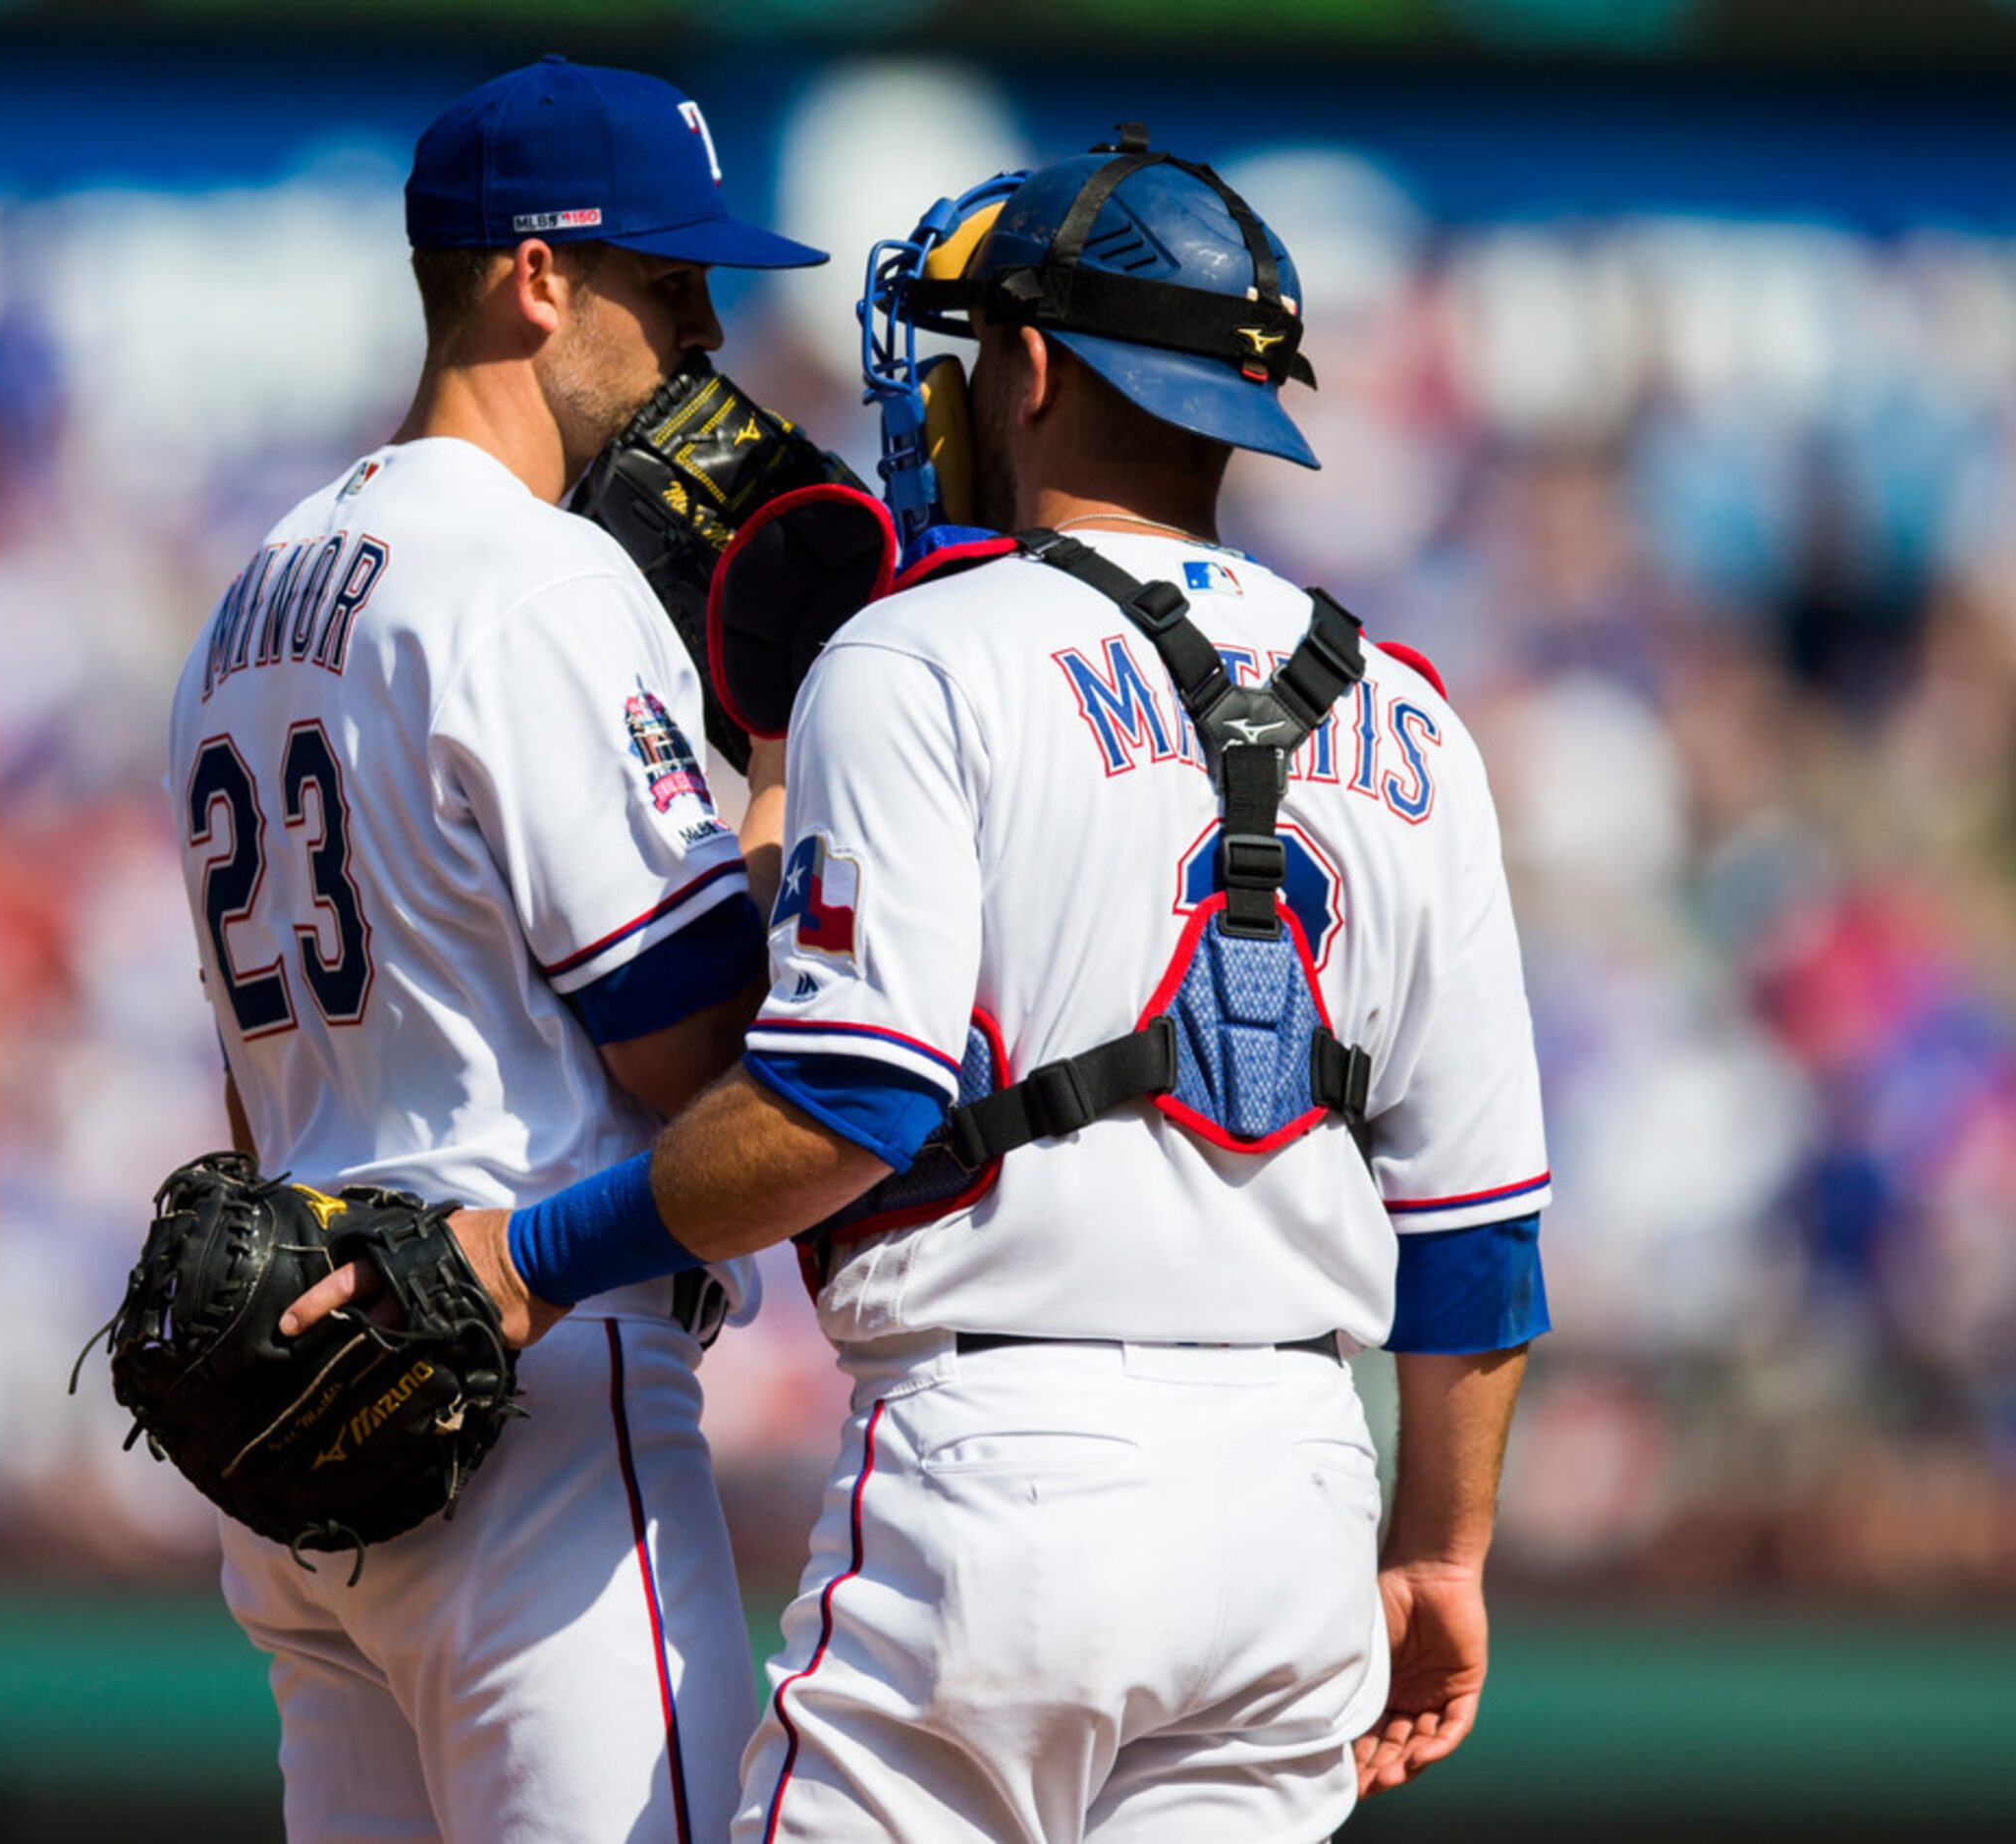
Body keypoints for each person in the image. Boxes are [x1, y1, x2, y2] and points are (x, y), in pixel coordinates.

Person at [296, 137, 1553, 1843]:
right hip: (1299, 1495)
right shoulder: (1411, 712)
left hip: (1005, 1468)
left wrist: (529, 1255)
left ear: (1028, 368)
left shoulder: (920, 648)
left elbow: (847, 1103)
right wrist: (1439, 1548)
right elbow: (1475, 1230)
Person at [166, 56, 823, 1843]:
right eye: (670, 285)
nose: (702, 338)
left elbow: (249, 1083)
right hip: (520, 1385)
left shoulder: (253, 594)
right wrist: (777, 769)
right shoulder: (533, 578)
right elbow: (699, 1062)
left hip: (298, 1410)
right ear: (537, 277)